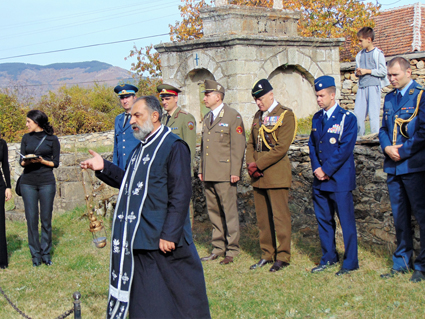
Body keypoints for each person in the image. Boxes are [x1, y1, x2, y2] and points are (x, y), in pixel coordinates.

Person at [81, 96, 210, 319]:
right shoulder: (139, 150)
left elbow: (181, 194)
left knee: (182, 300)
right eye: (131, 116)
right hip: (140, 239)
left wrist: (169, 234)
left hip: (165, 240)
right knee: (147, 303)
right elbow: (129, 183)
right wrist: (104, 167)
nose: (132, 121)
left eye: (137, 115)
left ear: (154, 116)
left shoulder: (173, 146)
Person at [379, 57, 425, 283]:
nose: (392, 79)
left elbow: (423, 132)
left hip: (414, 166)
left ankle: (422, 266)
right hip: (393, 167)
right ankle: (402, 262)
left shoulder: (420, 95)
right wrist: (387, 147)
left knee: (422, 217)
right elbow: (383, 128)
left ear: (408, 72)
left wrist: (403, 151)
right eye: (389, 75)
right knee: (400, 218)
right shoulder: (389, 97)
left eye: (395, 75)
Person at [308, 76, 359, 276]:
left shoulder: (347, 118)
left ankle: (350, 262)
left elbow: (344, 149)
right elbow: (312, 145)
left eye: (322, 96)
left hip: (339, 180)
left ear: (332, 94)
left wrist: (326, 170)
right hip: (319, 179)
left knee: (346, 222)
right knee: (324, 220)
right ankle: (328, 256)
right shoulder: (316, 118)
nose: (319, 99)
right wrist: (316, 168)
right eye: (317, 96)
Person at [246, 79, 296, 272]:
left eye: (261, 98)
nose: (259, 103)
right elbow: (251, 143)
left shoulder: (285, 115)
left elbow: (281, 148)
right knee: (263, 219)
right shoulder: (258, 116)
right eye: (256, 100)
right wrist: (251, 164)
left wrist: (258, 164)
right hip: (258, 176)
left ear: (271, 94)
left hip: (275, 174)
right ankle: (267, 254)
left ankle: (283, 256)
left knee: (280, 217)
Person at [198, 79, 246, 265]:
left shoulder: (232, 116)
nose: (204, 98)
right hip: (209, 173)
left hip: (225, 173)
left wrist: (235, 171)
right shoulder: (208, 117)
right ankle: (218, 248)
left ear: (218, 97)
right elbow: (205, 147)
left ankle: (232, 250)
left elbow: (238, 146)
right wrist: (202, 169)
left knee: (229, 212)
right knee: (214, 212)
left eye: (207, 95)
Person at [20, 110, 60, 267]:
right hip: (28, 182)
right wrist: (28, 161)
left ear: (36, 122)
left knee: (46, 219)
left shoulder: (52, 139)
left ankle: (46, 253)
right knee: (31, 219)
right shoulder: (25, 138)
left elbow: (55, 163)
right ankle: (35, 255)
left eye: (28, 121)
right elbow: (21, 161)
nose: (26, 124)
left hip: (46, 182)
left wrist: (42, 161)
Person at [354, 27, 389, 136]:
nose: (359, 43)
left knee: (373, 115)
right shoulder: (359, 55)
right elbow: (357, 70)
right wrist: (358, 72)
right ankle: (359, 137)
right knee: (358, 115)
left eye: (361, 40)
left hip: (374, 86)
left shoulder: (378, 53)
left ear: (369, 39)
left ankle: (375, 137)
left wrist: (367, 71)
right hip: (362, 87)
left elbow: (383, 71)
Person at [157, 84, 197, 164]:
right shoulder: (162, 119)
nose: (164, 102)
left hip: (180, 167)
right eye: (162, 99)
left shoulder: (186, 118)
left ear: (176, 98)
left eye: (167, 99)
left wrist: (184, 169)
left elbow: (190, 148)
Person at [113, 83, 140, 170]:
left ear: (134, 98)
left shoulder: (141, 117)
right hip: (121, 168)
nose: (125, 101)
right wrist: (115, 167)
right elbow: (116, 146)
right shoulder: (118, 119)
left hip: (136, 166)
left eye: (127, 97)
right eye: (122, 98)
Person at [0, 138, 12, 269]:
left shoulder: (2, 143)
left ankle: (2, 260)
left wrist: (8, 186)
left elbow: (5, 165)